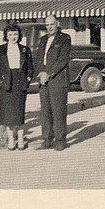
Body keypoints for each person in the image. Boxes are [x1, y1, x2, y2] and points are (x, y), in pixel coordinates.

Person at [0, 24, 34, 150]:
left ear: (19, 35)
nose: (13, 37)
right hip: (6, 85)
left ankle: (20, 140)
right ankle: (11, 140)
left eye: (15, 34)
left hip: (20, 84)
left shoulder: (25, 50)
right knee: (7, 114)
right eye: (10, 34)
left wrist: (28, 79)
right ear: (6, 36)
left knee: (19, 112)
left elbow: (31, 68)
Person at [33, 15, 72, 151]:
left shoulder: (65, 38)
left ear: (57, 24)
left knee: (58, 111)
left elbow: (62, 60)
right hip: (43, 81)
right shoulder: (43, 40)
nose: (49, 27)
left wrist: (49, 74)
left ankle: (60, 140)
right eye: (47, 25)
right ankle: (47, 139)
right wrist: (41, 73)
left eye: (52, 24)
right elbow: (38, 59)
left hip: (57, 80)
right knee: (45, 111)